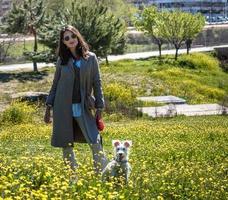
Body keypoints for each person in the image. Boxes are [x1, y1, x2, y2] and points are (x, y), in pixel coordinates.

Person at [44, 25, 108, 175]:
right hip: (62, 107)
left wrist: (99, 107)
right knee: (66, 144)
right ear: (64, 42)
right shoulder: (62, 60)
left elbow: (97, 83)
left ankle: (102, 174)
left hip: (83, 106)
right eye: (66, 38)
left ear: (77, 37)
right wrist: (48, 108)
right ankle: (72, 177)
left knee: (95, 141)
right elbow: (55, 84)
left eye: (72, 36)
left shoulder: (91, 58)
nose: (70, 40)